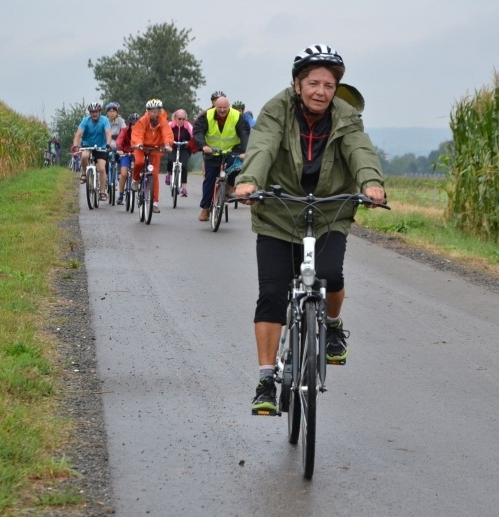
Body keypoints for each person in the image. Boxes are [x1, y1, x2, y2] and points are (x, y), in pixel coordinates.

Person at [233, 44, 385, 412]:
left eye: (329, 85)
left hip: (330, 208)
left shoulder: (345, 116)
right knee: (271, 293)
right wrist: (249, 181)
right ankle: (267, 379)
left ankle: (331, 324)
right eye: (313, 83)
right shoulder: (276, 110)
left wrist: (371, 182)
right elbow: (263, 146)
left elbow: (359, 150)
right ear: (297, 84)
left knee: (330, 274)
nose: (321, 91)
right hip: (279, 210)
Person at [192, 95, 251, 222]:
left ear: (228, 107)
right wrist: (203, 145)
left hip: (232, 150)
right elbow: (198, 131)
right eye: (219, 108)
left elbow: (245, 133)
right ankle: (205, 208)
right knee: (210, 179)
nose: (222, 110)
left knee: (237, 166)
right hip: (212, 151)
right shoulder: (207, 116)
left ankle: (229, 187)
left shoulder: (236, 116)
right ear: (215, 107)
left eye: (225, 107)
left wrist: (245, 151)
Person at [130, 99, 173, 213]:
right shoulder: (143, 120)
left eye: (156, 111)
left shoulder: (162, 121)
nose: (154, 114)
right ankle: (135, 179)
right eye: (151, 111)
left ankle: (154, 203)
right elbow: (138, 132)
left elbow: (166, 133)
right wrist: (138, 143)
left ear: (160, 111)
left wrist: (167, 144)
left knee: (154, 175)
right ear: (147, 111)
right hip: (141, 147)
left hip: (155, 148)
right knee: (139, 162)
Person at [72, 102, 113, 201]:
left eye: (96, 112)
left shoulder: (105, 120)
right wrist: (76, 145)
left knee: (102, 169)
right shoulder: (85, 121)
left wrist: (108, 144)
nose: (94, 114)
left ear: (99, 112)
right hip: (87, 145)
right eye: (92, 112)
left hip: (101, 146)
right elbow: (78, 134)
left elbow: (108, 133)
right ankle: (85, 173)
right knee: (84, 156)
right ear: (90, 113)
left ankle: (102, 192)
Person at [164, 109, 196, 197]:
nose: (181, 121)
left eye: (183, 119)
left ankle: (184, 187)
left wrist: (190, 143)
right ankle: (168, 174)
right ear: (175, 118)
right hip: (173, 146)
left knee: (184, 165)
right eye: (179, 118)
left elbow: (193, 135)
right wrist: (167, 144)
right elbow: (165, 134)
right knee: (171, 160)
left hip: (184, 147)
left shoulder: (188, 125)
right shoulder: (170, 125)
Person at [115, 113, 140, 205]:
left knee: (137, 171)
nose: (135, 126)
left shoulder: (142, 132)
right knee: (124, 174)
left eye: (137, 124)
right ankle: (121, 195)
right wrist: (119, 150)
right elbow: (119, 140)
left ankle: (138, 188)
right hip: (125, 154)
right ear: (130, 124)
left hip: (137, 154)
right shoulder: (125, 131)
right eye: (133, 124)